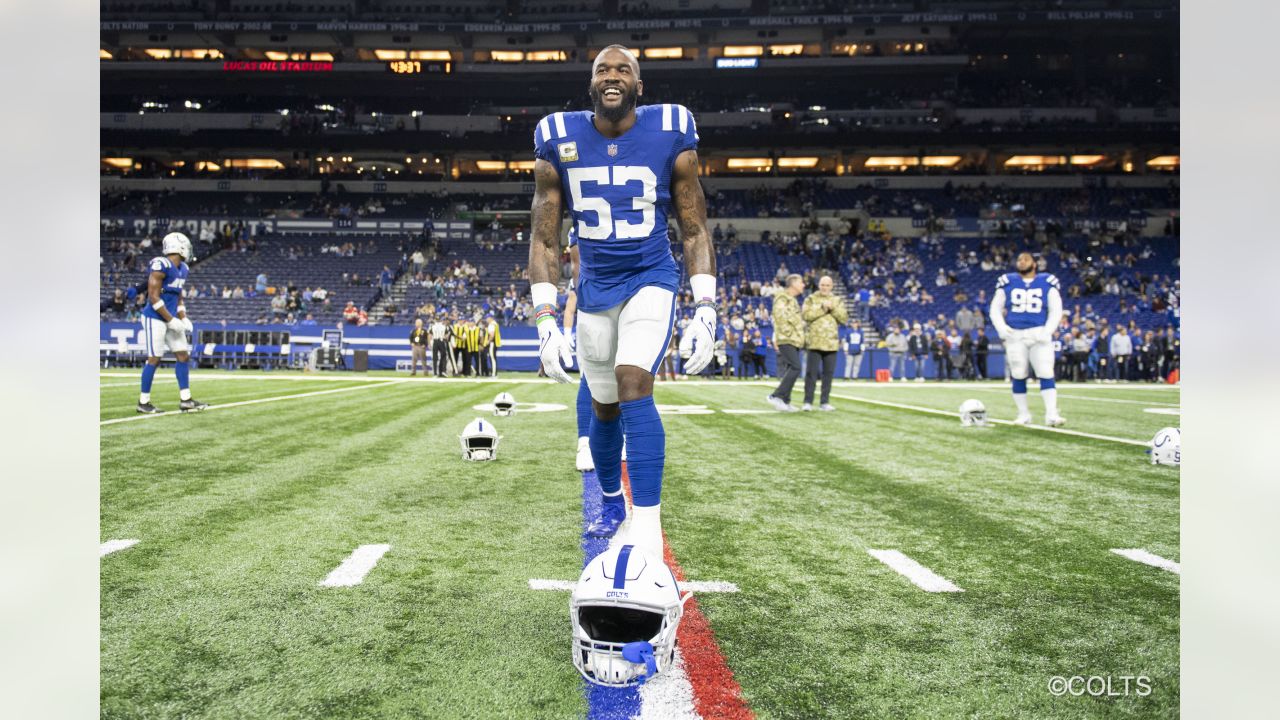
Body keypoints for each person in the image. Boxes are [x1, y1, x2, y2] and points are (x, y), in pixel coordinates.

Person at [527, 45, 715, 558]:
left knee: (635, 383)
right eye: (603, 70)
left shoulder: (672, 129)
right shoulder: (558, 137)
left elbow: (694, 227)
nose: (613, 76)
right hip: (593, 290)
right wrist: (545, 320)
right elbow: (544, 237)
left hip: (649, 276)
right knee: (604, 406)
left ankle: (648, 523)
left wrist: (707, 307)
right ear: (591, 84)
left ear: (639, 85)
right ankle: (612, 501)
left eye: (624, 70)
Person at [989, 251, 1066, 426]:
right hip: (1015, 334)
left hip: (1039, 332)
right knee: (1018, 373)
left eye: (1025, 259)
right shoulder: (1007, 281)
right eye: (1019, 259)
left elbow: (1056, 309)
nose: (1021, 262)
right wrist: (1002, 329)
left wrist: (1048, 331)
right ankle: (1023, 414)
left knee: (1046, 372)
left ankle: (1051, 414)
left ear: (1034, 264)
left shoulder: (1047, 281)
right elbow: (995, 308)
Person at [136, 232, 208, 414]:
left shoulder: (183, 268)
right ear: (180, 247)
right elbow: (153, 297)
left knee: (183, 355)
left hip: (171, 317)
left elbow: (178, 296)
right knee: (155, 357)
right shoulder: (161, 264)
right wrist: (171, 319)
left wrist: (183, 317)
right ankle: (143, 402)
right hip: (154, 316)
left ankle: (186, 400)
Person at [800, 275, 847, 410]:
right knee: (811, 374)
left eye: (827, 285)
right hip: (814, 342)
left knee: (828, 374)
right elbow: (806, 316)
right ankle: (808, 402)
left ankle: (824, 402)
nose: (825, 287)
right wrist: (822, 308)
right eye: (822, 285)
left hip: (831, 343)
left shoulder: (837, 300)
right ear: (819, 285)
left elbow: (844, 318)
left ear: (831, 286)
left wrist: (833, 308)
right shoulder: (811, 299)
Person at [766, 273, 806, 411]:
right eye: (801, 282)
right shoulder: (782, 297)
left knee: (792, 368)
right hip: (786, 339)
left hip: (794, 339)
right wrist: (788, 334)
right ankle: (776, 395)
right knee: (796, 367)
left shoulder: (792, 300)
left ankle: (785, 400)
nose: (803, 285)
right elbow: (780, 317)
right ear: (794, 283)